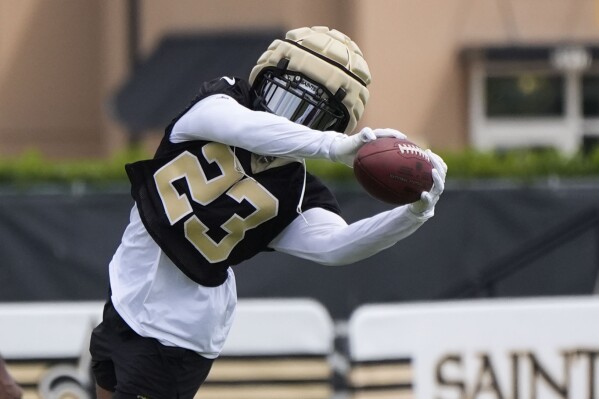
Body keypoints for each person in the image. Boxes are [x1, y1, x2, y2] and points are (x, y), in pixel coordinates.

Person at [89, 26, 447, 399]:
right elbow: (240, 126)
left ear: (336, 125)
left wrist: (412, 215)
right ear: (262, 78)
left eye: (311, 116)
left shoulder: (298, 190)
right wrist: (330, 144)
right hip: (125, 291)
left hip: (178, 331)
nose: (292, 121)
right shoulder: (222, 97)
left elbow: (337, 245)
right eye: (284, 100)